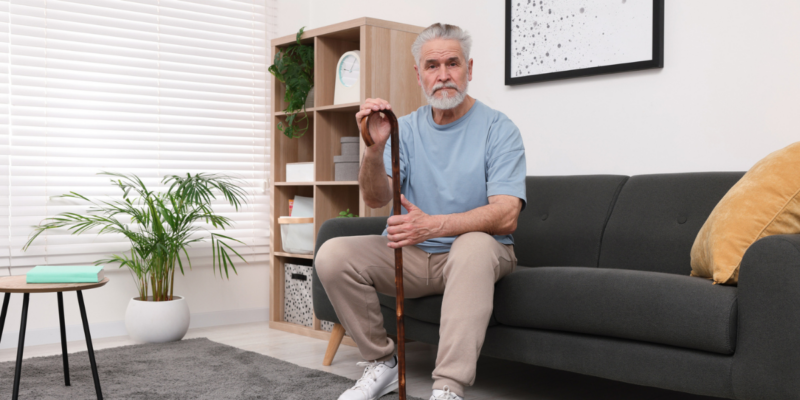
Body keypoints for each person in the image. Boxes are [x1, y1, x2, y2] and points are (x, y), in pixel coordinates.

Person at [315, 22, 527, 400]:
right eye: (432, 65)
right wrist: (374, 149)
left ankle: (447, 388)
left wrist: (435, 225)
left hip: (475, 256)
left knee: (474, 246)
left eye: (452, 63)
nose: (443, 75)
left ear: (470, 69)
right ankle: (381, 363)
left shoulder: (499, 129)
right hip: (413, 256)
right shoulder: (406, 129)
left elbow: (507, 214)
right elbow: (377, 198)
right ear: (419, 74)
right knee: (332, 254)